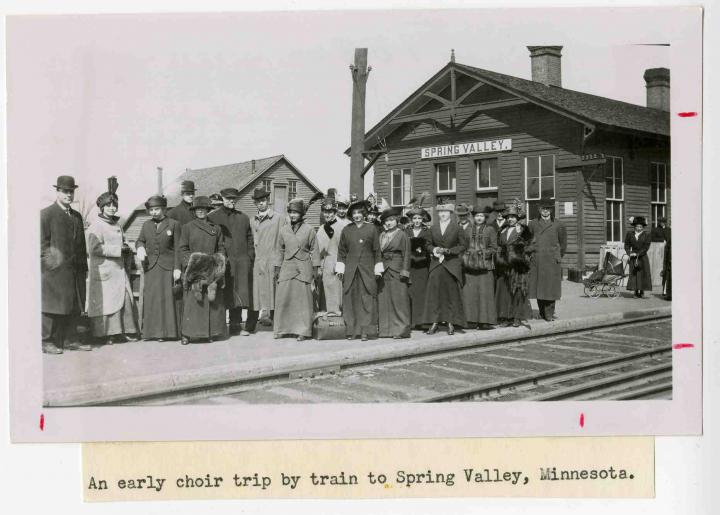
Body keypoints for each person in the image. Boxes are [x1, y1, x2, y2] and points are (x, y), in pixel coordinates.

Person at [40, 175, 90, 354]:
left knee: (73, 305)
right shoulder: (46, 214)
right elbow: (41, 245)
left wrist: (83, 269)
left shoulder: (76, 216)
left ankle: (70, 340)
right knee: (51, 307)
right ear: (57, 192)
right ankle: (46, 341)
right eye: (65, 191)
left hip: (75, 270)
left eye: (71, 191)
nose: (69, 194)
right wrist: (51, 266)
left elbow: (82, 245)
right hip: (54, 272)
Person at [86, 183, 140, 345]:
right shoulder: (96, 226)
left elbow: (124, 241)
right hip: (105, 271)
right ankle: (107, 334)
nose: (111, 208)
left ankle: (122, 331)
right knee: (108, 304)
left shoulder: (117, 225)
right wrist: (118, 250)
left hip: (119, 270)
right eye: (108, 206)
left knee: (123, 299)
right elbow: (94, 248)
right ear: (101, 208)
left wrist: (130, 247)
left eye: (114, 205)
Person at [178, 196, 226, 344]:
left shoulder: (216, 228)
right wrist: (192, 263)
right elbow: (183, 249)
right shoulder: (187, 227)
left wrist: (218, 262)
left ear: (208, 210)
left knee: (211, 301)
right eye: (197, 209)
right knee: (193, 302)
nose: (200, 211)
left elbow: (221, 248)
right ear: (194, 211)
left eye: (203, 209)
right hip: (195, 270)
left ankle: (211, 332)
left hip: (211, 270)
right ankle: (188, 333)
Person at [208, 187, 255, 335]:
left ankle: (235, 326)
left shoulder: (243, 217)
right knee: (223, 294)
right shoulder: (213, 217)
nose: (232, 201)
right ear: (222, 199)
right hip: (222, 262)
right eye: (228, 199)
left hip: (241, 262)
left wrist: (249, 255)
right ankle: (219, 327)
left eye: (234, 199)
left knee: (239, 294)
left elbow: (249, 239)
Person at [335, 197, 383, 341]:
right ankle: (351, 331)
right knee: (351, 301)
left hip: (367, 271)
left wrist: (378, 269)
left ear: (364, 213)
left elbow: (377, 251)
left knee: (366, 301)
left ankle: (365, 332)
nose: (357, 215)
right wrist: (340, 269)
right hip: (351, 271)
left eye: (359, 213)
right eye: (354, 213)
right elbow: (342, 251)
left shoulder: (371, 229)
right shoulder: (346, 230)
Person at [135, 195, 182, 341]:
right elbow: (139, 240)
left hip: (167, 268)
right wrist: (140, 248)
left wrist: (177, 268)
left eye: (157, 209)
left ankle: (168, 333)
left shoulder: (174, 224)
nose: (154, 212)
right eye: (151, 210)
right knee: (153, 300)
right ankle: (152, 333)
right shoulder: (146, 225)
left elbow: (178, 248)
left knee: (167, 300)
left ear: (164, 209)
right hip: (152, 268)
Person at [273, 198, 321, 341]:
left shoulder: (309, 230)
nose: (293, 215)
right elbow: (279, 250)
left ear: (301, 214)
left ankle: (303, 331)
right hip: (287, 267)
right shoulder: (283, 230)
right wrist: (277, 267)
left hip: (303, 268)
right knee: (284, 299)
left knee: (303, 301)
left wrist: (315, 268)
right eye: (290, 212)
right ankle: (283, 329)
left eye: (296, 212)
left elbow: (315, 250)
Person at [423, 199, 467, 335]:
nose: (442, 214)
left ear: (451, 213)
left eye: (445, 212)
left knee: (450, 294)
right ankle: (434, 322)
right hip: (436, 264)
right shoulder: (433, 228)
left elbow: (463, 245)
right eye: (440, 212)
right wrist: (434, 249)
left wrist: (449, 251)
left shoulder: (457, 228)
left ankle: (450, 322)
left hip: (451, 264)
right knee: (434, 293)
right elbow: (427, 244)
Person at [250, 187, 285, 327]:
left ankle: (277, 320)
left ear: (268, 201)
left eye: (263, 200)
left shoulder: (278, 218)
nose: (261, 203)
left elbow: (283, 240)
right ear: (255, 203)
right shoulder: (252, 220)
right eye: (258, 201)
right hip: (258, 260)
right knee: (260, 290)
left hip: (273, 259)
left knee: (274, 290)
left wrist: (278, 260)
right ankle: (261, 317)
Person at [528, 200, 567, 321]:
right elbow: (528, 241)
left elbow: (563, 244)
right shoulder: (533, 224)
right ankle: (541, 312)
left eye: (548, 209)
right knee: (540, 287)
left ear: (551, 210)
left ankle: (549, 314)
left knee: (550, 288)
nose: (545, 211)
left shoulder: (558, 224)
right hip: (537, 260)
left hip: (551, 261)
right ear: (539, 210)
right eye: (543, 208)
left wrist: (556, 256)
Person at [377, 204, 412, 339]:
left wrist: (405, 271)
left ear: (396, 221)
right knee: (384, 300)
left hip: (397, 269)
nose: (389, 223)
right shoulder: (382, 235)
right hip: (384, 269)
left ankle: (401, 330)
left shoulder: (402, 235)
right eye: (386, 221)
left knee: (399, 300)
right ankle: (386, 331)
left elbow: (407, 254)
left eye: (391, 220)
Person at [495, 204, 533, 327]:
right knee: (505, 292)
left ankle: (517, 317)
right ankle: (506, 317)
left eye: (513, 217)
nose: (510, 219)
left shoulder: (523, 230)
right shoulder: (502, 230)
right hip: (504, 266)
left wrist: (521, 256)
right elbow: (499, 246)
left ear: (518, 218)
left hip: (517, 266)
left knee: (517, 291)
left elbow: (530, 246)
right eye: (509, 217)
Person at [462, 205, 498, 329]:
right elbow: (463, 246)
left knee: (484, 294)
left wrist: (482, 253)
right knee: (470, 294)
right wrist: (468, 253)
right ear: (473, 217)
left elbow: (494, 248)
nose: (479, 218)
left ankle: (485, 321)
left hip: (484, 267)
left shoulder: (490, 230)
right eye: (477, 216)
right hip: (470, 267)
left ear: (485, 217)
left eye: (481, 216)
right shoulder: (467, 229)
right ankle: (470, 320)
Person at [316, 193, 350, 313]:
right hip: (323, 269)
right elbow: (317, 250)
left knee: (337, 300)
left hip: (337, 268)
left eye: (330, 212)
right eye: (325, 211)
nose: (328, 214)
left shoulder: (343, 227)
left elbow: (347, 249)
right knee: (324, 300)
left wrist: (341, 265)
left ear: (335, 212)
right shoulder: (320, 229)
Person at [405, 199, 432, 330]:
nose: (416, 221)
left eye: (419, 218)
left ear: (423, 219)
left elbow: (430, 246)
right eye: (414, 218)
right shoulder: (406, 232)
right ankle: (411, 321)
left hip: (422, 267)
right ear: (411, 219)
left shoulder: (427, 232)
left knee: (422, 293)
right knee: (410, 293)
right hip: (410, 267)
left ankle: (422, 321)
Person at [624, 216, 653, 298]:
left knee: (643, 274)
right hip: (633, 257)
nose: (638, 228)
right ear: (634, 226)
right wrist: (629, 253)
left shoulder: (646, 235)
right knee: (634, 274)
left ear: (643, 227)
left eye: (640, 227)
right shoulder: (630, 234)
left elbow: (646, 247)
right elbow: (626, 245)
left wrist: (637, 254)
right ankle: (636, 292)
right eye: (637, 226)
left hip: (642, 257)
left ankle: (642, 292)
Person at [662, 231, 672, 300]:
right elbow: (667, 249)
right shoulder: (670, 239)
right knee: (668, 277)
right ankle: (669, 294)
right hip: (669, 261)